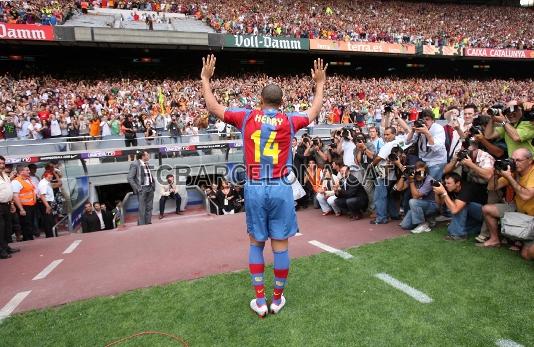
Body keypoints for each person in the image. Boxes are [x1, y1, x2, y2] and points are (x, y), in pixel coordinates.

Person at [201, 54, 327, 317]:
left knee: (256, 244)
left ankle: (260, 301)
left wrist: (205, 78)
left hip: (255, 187)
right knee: (280, 245)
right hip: (281, 187)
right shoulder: (289, 120)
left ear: (260, 100)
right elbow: (314, 111)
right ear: (282, 103)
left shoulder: (246, 117)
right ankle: (277, 299)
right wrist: (320, 83)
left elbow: (213, 108)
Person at [479, 149, 534, 255]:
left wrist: (509, 177)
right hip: (519, 209)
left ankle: (523, 241)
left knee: (526, 255)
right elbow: (491, 187)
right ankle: (494, 240)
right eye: (512, 160)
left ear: (530, 161)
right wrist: (495, 174)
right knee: (487, 209)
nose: (514, 163)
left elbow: (525, 195)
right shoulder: (513, 172)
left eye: (518, 160)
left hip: (532, 216)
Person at [432, 172, 486, 240]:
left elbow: (455, 210)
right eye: (445, 183)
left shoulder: (466, 188)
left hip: (483, 213)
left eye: (449, 183)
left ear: (457, 183)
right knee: (453, 227)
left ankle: (458, 235)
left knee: (460, 206)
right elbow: (440, 203)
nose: (446, 185)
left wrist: (444, 193)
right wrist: (437, 193)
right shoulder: (450, 188)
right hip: (472, 216)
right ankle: (479, 228)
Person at [398, 161, 437, 233]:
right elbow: (399, 188)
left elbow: (415, 196)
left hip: (432, 205)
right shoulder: (414, 177)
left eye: (422, 173)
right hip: (419, 206)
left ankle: (423, 224)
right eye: (418, 172)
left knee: (413, 201)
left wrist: (411, 181)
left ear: (426, 172)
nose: (420, 175)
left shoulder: (429, 180)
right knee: (405, 225)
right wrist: (403, 175)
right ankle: (429, 220)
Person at [127, 150, 155, 225]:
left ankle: (148, 222)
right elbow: (130, 178)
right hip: (142, 189)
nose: (148, 156)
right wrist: (137, 188)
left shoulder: (147, 163)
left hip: (150, 187)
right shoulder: (135, 164)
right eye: (147, 155)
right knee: (142, 208)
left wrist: (153, 185)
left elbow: (149, 175)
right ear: (143, 156)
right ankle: (142, 225)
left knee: (149, 207)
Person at [11, 165, 37, 241]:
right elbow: (15, 196)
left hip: (31, 205)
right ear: (21, 172)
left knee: (30, 224)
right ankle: (27, 240)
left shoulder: (28, 179)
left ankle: (30, 238)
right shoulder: (16, 181)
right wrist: (21, 209)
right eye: (27, 170)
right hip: (24, 206)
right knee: (26, 225)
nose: (29, 171)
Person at [0, 156, 19, 259]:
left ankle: (6, 247)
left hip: (7, 204)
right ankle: (1, 251)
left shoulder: (4, 175)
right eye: (0, 163)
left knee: (7, 227)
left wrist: (11, 203)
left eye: (3, 163)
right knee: (1, 228)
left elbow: (8, 189)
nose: (2, 166)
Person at [37, 172, 55, 238]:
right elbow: (42, 196)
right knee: (48, 220)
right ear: (46, 176)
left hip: (47, 202)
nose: (52, 177)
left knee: (50, 220)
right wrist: (47, 206)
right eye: (50, 175)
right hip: (45, 203)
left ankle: (51, 234)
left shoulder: (47, 182)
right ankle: (50, 235)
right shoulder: (43, 184)